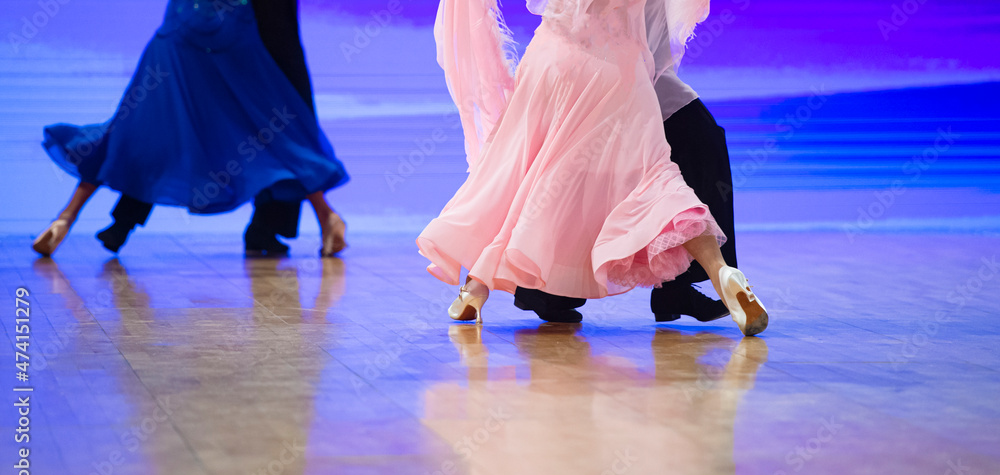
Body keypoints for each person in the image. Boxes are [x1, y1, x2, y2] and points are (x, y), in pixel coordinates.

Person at [416, 0, 768, 335]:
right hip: (619, 71)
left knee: (518, 174)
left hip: (552, 62)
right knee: (656, 179)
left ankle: (475, 289)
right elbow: (660, 35)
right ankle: (721, 271)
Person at [32, 0, 348, 258]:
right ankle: (327, 216)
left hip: (181, 31)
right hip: (229, 31)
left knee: (135, 130)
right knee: (270, 130)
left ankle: (66, 217)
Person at [513, 2, 737, 324]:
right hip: (605, 72)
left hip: (627, 69)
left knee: (693, 143)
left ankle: (551, 291)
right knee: (588, 168)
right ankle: (547, 289)